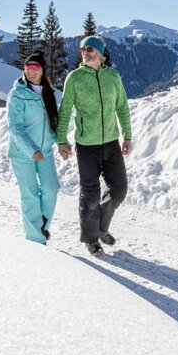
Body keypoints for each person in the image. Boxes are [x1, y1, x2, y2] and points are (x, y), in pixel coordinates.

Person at [57, 35, 132, 256]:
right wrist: (61, 140)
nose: (85, 53)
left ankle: (101, 227)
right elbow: (65, 110)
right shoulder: (75, 78)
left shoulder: (113, 76)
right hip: (87, 146)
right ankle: (91, 239)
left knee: (119, 190)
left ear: (100, 53)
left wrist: (127, 136)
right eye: (82, 50)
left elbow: (122, 107)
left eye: (90, 49)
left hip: (111, 143)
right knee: (90, 196)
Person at [6, 50, 61, 244]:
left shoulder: (48, 92)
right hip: (22, 154)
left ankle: (42, 226)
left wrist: (62, 143)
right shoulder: (17, 94)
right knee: (30, 194)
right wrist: (31, 150)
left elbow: (54, 123)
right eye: (27, 66)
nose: (30, 70)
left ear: (42, 70)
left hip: (45, 151)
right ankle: (36, 239)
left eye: (35, 66)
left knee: (51, 189)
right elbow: (15, 127)